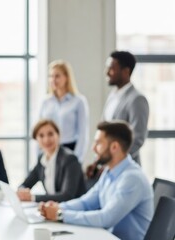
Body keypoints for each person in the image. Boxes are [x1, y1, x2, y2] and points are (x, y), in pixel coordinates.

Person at [39, 121, 153, 240]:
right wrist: (58, 207)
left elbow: (106, 218)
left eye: (98, 143)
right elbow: (86, 202)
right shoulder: (109, 172)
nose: (93, 148)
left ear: (114, 147)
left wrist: (60, 214)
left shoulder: (132, 178)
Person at [87, 51, 149, 180]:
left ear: (126, 71)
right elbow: (103, 132)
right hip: (108, 166)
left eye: (112, 68)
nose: (107, 72)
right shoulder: (113, 95)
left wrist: (115, 160)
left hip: (125, 170)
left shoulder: (137, 99)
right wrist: (98, 160)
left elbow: (137, 138)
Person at [17, 119, 86, 202]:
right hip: (53, 209)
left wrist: (32, 197)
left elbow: (67, 196)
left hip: (72, 210)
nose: (46, 140)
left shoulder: (70, 159)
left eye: (50, 134)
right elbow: (26, 184)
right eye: (41, 136)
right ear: (36, 139)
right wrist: (22, 191)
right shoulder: (42, 159)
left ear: (58, 135)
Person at [39, 60, 89, 162]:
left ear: (66, 77)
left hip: (69, 149)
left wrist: (77, 159)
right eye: (50, 76)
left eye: (57, 76)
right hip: (48, 150)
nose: (53, 80)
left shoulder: (78, 101)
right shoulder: (45, 102)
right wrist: (39, 156)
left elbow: (83, 134)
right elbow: (39, 131)